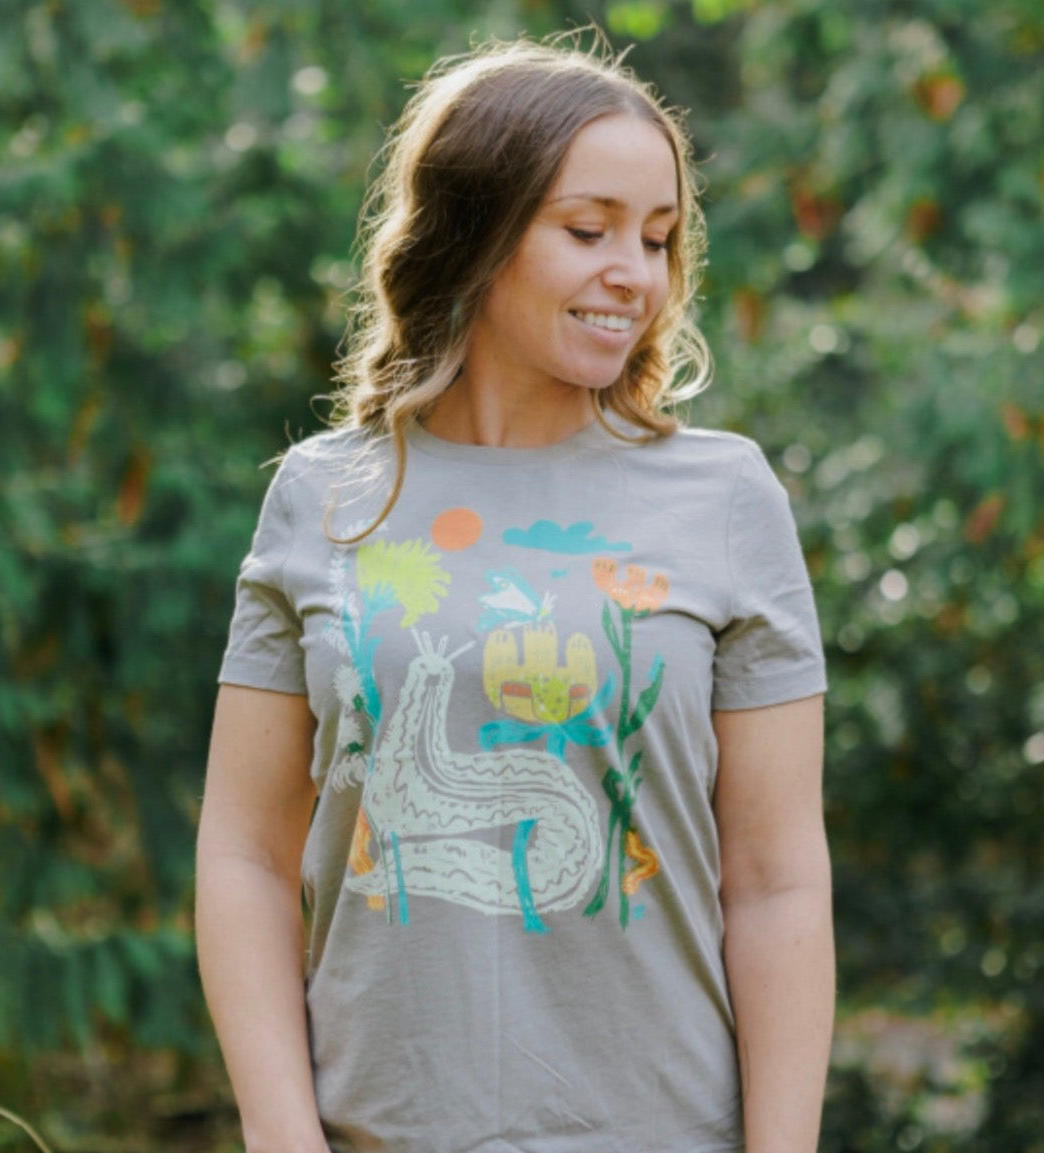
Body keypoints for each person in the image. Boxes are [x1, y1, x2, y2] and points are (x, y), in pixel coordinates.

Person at [196, 33, 834, 1153]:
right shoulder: (324, 496)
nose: (632, 272)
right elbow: (245, 853)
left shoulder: (723, 496)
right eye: (587, 231)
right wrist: (283, 1137)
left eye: (658, 236)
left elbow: (776, 877)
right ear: (474, 234)